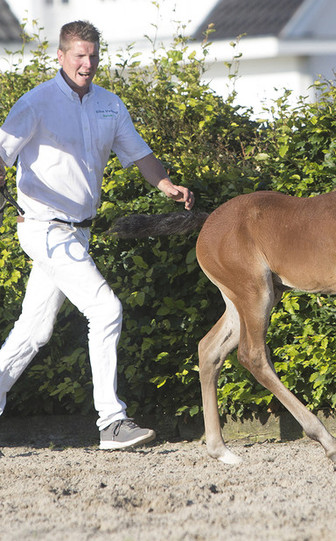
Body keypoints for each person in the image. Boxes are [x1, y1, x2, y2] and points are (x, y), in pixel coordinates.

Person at [0, 20, 194, 449]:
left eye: (93, 56)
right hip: (44, 229)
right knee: (105, 310)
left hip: (79, 233)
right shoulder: (36, 103)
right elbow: (2, 150)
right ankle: (111, 421)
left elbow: (139, 153)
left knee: (33, 331)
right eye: (79, 56)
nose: (87, 64)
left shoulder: (110, 104)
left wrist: (164, 184)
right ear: (60, 56)